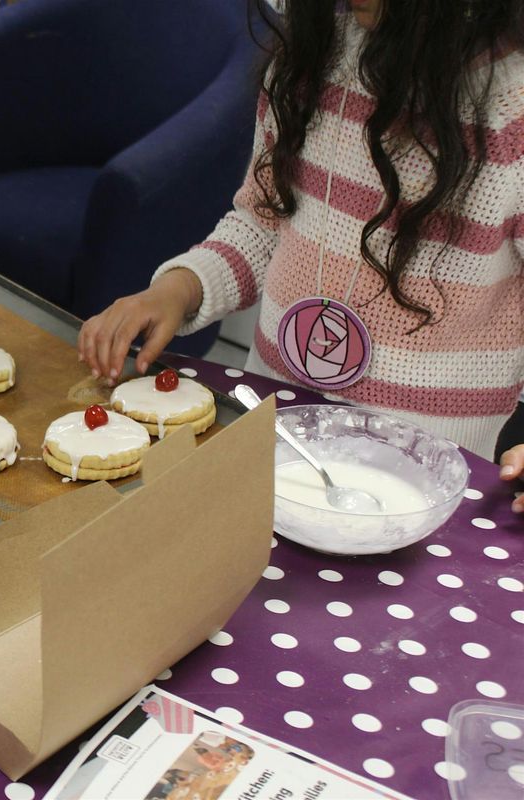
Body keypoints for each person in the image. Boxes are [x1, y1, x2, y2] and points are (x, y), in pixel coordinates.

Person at [79, 0, 524, 498]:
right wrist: (181, 287)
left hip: (423, 480)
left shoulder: (513, 111)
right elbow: (261, 224)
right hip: (273, 435)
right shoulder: (309, 58)